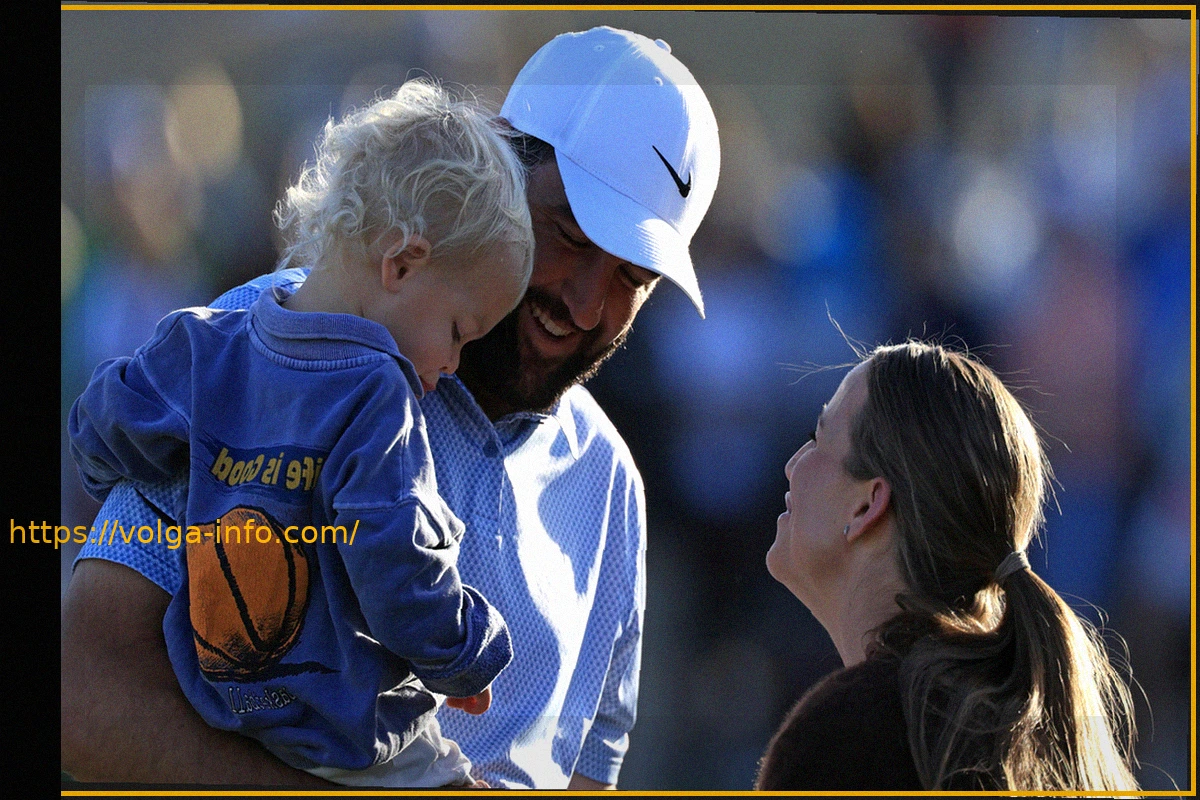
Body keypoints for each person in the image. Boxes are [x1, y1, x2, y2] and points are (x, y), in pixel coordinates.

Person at [60, 26, 720, 789]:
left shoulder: (609, 486)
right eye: (570, 236)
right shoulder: (264, 351)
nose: (585, 303)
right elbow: (82, 695)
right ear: (501, 167)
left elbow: (586, 777)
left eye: (633, 279)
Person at [68, 79, 532, 788]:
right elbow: (397, 565)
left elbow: (102, 421)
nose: (452, 364)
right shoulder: (377, 393)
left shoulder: (208, 342)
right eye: (459, 332)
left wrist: (125, 481)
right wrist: (467, 654)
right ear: (402, 263)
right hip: (350, 730)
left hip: (220, 704)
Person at [755, 341, 1139, 791]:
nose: (792, 465)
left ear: (867, 506)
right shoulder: (1019, 734)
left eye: (819, 439)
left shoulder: (854, 739)